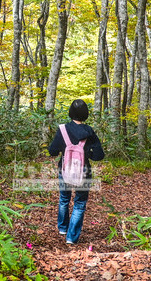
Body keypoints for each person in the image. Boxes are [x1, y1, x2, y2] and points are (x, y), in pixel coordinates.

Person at [47, 99, 104, 245]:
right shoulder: (89, 132)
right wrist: (88, 153)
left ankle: (62, 228)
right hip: (84, 171)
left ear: (70, 112)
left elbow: (52, 151)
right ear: (86, 114)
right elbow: (99, 155)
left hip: (64, 169)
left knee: (64, 199)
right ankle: (71, 237)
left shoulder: (62, 130)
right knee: (79, 203)